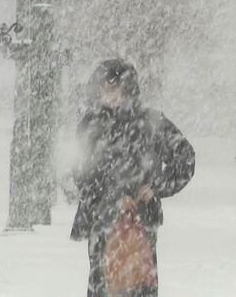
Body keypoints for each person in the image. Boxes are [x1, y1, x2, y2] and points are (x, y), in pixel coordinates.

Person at [70, 59, 195, 297]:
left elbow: (185, 158)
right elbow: (79, 169)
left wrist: (156, 187)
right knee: (103, 285)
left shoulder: (151, 122)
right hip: (103, 221)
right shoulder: (90, 123)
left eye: (114, 88)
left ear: (129, 89)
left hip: (139, 221)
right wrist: (105, 197)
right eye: (104, 88)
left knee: (139, 285)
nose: (109, 95)